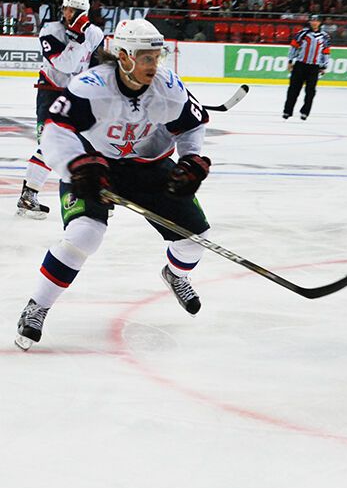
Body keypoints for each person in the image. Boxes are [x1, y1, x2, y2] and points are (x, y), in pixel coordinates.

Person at [15, 18, 213, 351]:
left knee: (196, 241)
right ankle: (37, 306)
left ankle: (175, 274)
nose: (154, 64)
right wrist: (75, 165)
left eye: (156, 56)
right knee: (84, 234)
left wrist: (191, 160)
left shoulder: (169, 87)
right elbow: (55, 129)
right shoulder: (91, 86)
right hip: (95, 165)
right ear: (123, 56)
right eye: (146, 57)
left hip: (148, 168)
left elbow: (192, 126)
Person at [16, 0, 104, 219]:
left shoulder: (95, 34)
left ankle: (88, 193)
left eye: (75, 11)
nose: (69, 14)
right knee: (48, 146)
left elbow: (96, 66)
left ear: (85, 13)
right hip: (50, 93)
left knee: (89, 143)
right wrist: (76, 36)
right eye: (67, 9)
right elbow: (65, 65)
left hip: (78, 95)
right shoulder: (50, 30)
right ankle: (28, 195)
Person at [282, 14, 331, 121]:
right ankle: (287, 111)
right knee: (293, 89)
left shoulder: (325, 37)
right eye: (312, 20)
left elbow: (326, 52)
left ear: (320, 22)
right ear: (309, 22)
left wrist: (324, 66)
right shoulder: (302, 33)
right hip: (300, 64)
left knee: (310, 91)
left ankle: (305, 112)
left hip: (314, 67)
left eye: (316, 21)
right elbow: (294, 47)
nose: (314, 23)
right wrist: (290, 60)